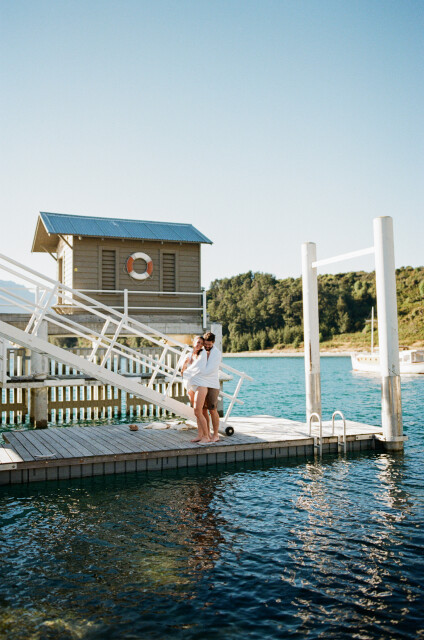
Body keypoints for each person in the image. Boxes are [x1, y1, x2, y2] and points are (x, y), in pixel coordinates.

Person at [181, 336, 211, 444]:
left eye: (201, 343)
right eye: (198, 342)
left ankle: (206, 436)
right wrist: (185, 363)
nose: (199, 345)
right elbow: (182, 372)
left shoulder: (203, 354)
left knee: (198, 411)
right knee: (197, 412)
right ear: (193, 342)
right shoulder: (188, 355)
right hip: (190, 385)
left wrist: (188, 369)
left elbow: (199, 368)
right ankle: (200, 435)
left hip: (200, 385)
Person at [201, 331, 222, 442]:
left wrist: (197, 371)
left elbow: (209, 370)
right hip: (202, 383)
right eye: (205, 344)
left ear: (213, 342)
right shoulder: (201, 350)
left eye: (209, 344)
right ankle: (207, 433)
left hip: (212, 384)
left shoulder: (217, 353)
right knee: (203, 409)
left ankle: (216, 434)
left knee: (212, 409)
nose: (207, 346)